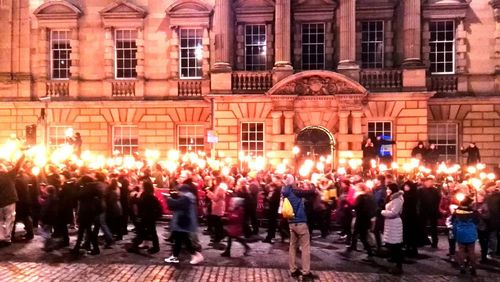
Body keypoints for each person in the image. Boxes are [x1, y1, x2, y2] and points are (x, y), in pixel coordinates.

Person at [282, 174, 316, 281]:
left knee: (292, 246)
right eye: (295, 180)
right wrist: (313, 186)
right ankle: (306, 272)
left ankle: (293, 269)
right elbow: (310, 192)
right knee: (305, 247)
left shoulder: (285, 191)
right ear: (292, 182)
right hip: (300, 221)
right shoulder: (295, 192)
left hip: (291, 222)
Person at [164, 184, 204, 265]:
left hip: (183, 222)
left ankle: (195, 254)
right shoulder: (189, 197)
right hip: (183, 222)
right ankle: (175, 256)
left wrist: (168, 199)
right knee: (180, 239)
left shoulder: (186, 198)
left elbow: (177, 204)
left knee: (184, 239)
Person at [127, 181, 162, 254]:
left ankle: (135, 246)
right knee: (149, 232)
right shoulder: (149, 195)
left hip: (146, 217)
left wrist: (135, 197)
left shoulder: (146, 196)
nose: (140, 186)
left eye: (142, 185)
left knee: (142, 232)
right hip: (149, 217)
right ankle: (155, 247)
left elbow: (141, 205)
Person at [0, 155, 25, 247]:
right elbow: (18, 166)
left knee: (0, 221)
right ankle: (7, 238)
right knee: (9, 220)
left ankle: (1, 237)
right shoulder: (9, 175)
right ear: (3, 169)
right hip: (9, 201)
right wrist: (23, 156)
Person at [452, 196, 479, 276]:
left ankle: (462, 267)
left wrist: (454, 233)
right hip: (471, 233)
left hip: (460, 233)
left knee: (461, 251)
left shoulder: (456, 212)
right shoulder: (473, 212)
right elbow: (477, 221)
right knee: (471, 251)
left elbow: (454, 223)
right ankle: (473, 268)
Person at [381, 183, 404, 275]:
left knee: (396, 246)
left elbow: (394, 213)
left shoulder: (398, 199)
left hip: (395, 224)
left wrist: (382, 212)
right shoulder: (392, 198)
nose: (387, 190)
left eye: (388, 189)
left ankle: (399, 266)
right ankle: (395, 263)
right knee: (392, 245)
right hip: (390, 224)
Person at [349, 183, 375, 257]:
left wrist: (351, 208)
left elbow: (356, 206)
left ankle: (370, 252)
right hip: (367, 218)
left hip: (361, 218)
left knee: (362, 236)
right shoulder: (369, 196)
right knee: (356, 232)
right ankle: (353, 246)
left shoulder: (360, 197)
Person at [418, 177, 441, 248]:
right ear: (425, 182)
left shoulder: (435, 191)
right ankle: (422, 241)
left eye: (431, 182)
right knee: (422, 227)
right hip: (423, 210)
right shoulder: (421, 190)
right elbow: (419, 200)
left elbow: (438, 200)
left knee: (433, 227)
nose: (429, 183)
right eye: (428, 182)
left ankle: (435, 242)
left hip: (433, 211)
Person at [206, 180, 226, 247]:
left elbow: (216, 198)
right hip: (218, 208)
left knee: (217, 224)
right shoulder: (220, 188)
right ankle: (218, 237)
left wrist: (209, 193)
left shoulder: (220, 189)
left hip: (218, 208)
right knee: (217, 223)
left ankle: (218, 237)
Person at [402, 180, 419, 257]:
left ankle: (412, 249)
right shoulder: (404, 194)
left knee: (411, 232)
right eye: (405, 186)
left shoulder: (413, 195)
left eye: (407, 186)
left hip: (411, 216)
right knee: (406, 232)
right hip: (405, 215)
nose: (405, 187)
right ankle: (408, 247)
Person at [372, 175, 387, 254]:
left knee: (377, 230)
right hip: (380, 212)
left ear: (379, 181)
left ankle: (379, 248)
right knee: (380, 230)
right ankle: (380, 247)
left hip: (379, 213)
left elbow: (376, 201)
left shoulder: (381, 190)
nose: (375, 181)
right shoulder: (380, 189)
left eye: (376, 179)